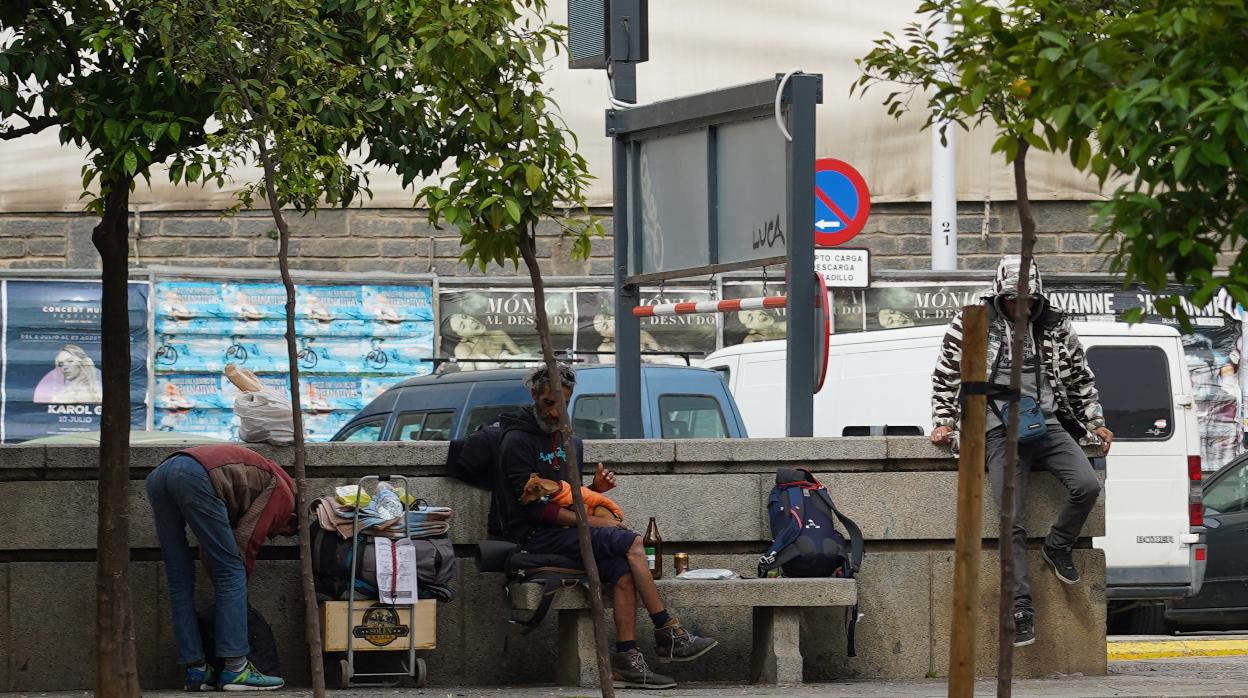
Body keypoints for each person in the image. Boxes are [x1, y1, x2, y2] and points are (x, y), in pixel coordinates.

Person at [930, 256, 1113, 647]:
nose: (1021, 306)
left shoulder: (1056, 325)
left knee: (1087, 485)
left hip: (1047, 423)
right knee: (1010, 519)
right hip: (997, 430)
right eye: (1014, 299)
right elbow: (946, 373)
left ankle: (1057, 545)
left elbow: (1080, 377)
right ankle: (1021, 608)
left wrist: (1094, 421)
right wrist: (945, 421)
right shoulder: (973, 321)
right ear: (1000, 296)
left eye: (1029, 300)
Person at [500, 363, 718, 689]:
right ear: (534, 395)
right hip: (535, 537)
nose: (556, 412)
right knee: (631, 543)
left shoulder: (570, 440)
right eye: (548, 403)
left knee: (623, 569)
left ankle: (628, 659)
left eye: (563, 403)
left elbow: (566, 498)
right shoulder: (516, 441)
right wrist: (593, 521)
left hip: (569, 533)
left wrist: (594, 492)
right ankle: (668, 630)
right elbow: (534, 510)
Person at [146, 444, 296, 691]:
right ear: (291, 521)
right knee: (232, 572)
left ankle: (197, 670)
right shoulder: (284, 496)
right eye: (280, 533)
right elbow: (246, 544)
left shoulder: (256, 478)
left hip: (161, 474)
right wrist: (236, 600)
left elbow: (215, 545)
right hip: (194, 473)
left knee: (178, 579)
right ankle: (236, 669)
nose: (275, 534)